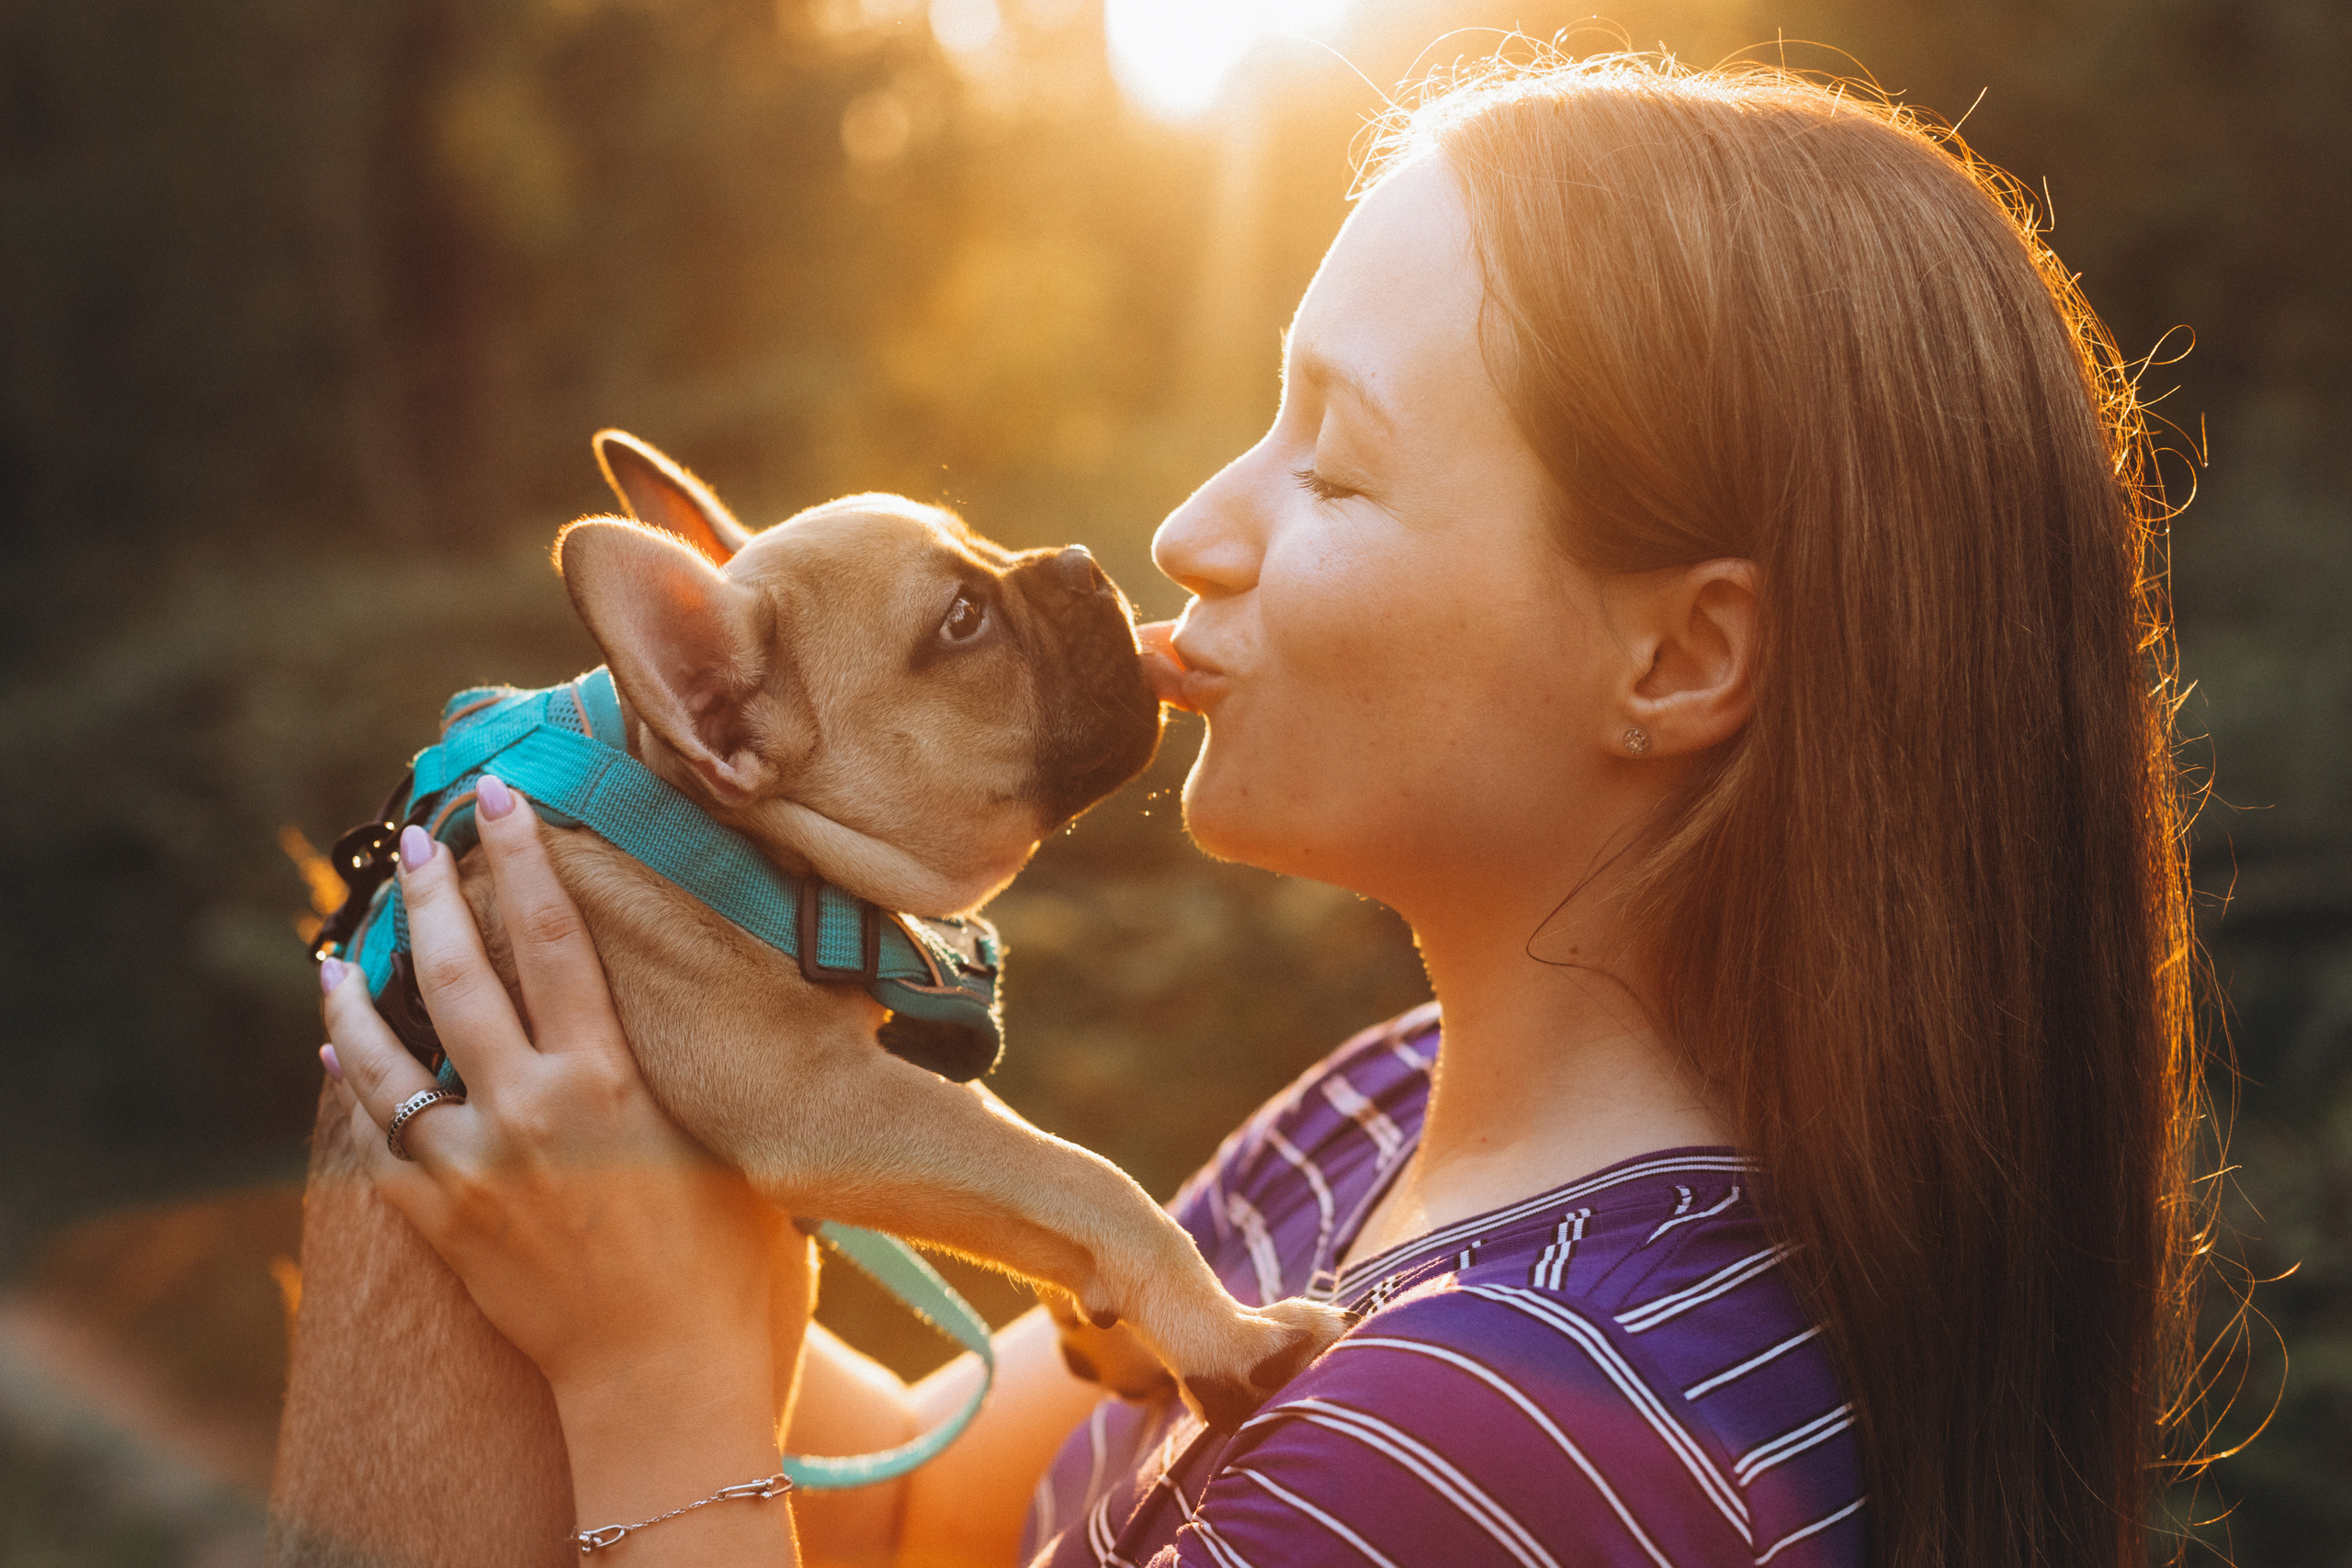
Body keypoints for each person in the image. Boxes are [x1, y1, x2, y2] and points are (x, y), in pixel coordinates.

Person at [322, 51, 2204, 1568]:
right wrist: (610, 1160)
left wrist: (653, 1376)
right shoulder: (1390, 1111)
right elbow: (914, 1507)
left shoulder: (1491, 1451)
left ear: (1677, 659)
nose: (1184, 529)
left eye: (1334, 466)